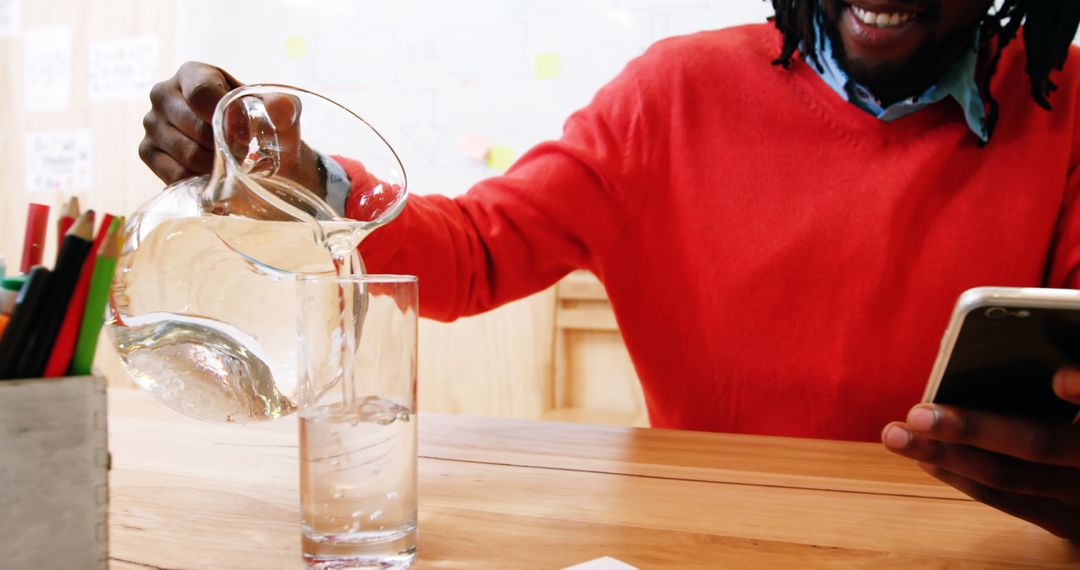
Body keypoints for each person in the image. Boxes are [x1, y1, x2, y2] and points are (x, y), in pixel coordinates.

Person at [140, 1, 1080, 540]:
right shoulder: (671, 92)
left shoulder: (1067, 108)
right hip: (704, 541)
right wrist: (294, 176)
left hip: (982, 546)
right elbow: (478, 250)